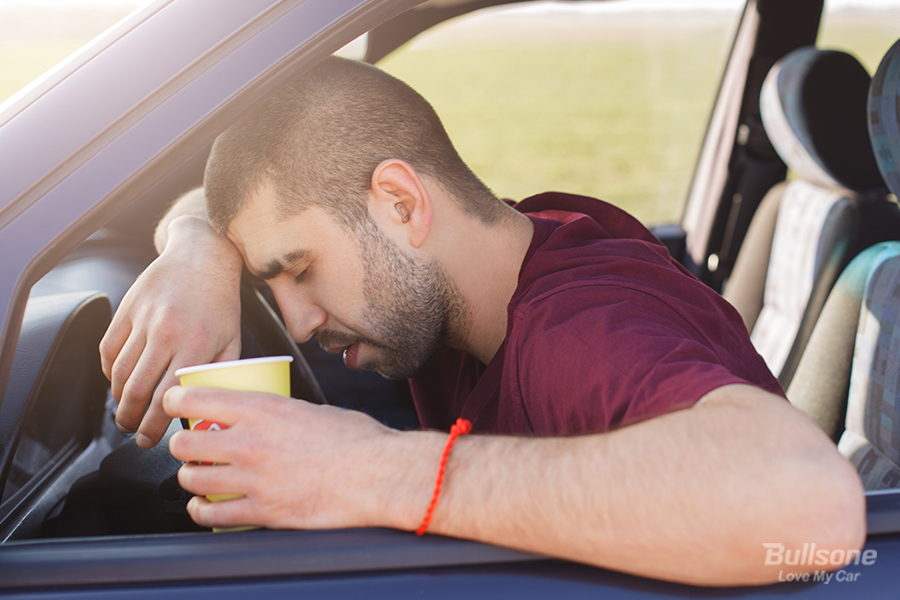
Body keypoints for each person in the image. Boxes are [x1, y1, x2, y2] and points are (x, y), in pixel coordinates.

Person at [100, 57, 865, 586]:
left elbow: (810, 504)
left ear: (402, 203)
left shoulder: (578, 334)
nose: (298, 323)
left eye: (300, 270)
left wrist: (367, 470)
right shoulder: (510, 246)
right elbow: (225, 195)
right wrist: (198, 250)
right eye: (270, 280)